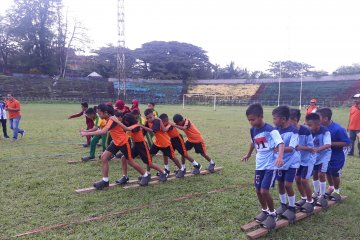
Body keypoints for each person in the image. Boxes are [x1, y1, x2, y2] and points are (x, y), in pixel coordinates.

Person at [80, 104, 149, 189]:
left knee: (130, 161)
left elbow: (103, 132)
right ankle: (105, 181)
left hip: (124, 142)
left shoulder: (112, 119)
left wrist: (87, 133)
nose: (99, 115)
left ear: (106, 112)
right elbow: (103, 130)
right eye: (98, 113)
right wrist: (86, 131)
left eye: (100, 113)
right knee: (104, 157)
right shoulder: (108, 119)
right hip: (116, 142)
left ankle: (145, 175)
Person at [242, 103, 284, 229]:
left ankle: (273, 214)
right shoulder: (252, 130)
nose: (251, 122)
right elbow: (252, 142)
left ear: (260, 116)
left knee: (264, 191)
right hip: (259, 164)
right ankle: (265, 210)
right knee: (257, 190)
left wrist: (280, 157)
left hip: (270, 165)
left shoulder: (271, 130)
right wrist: (248, 154)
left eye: (253, 119)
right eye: (249, 120)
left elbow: (281, 144)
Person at [110, 113, 168, 184]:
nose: (125, 122)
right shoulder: (131, 125)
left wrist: (117, 121)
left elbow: (126, 129)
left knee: (149, 163)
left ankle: (163, 172)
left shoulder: (136, 125)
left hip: (142, 145)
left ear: (129, 121)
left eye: (125, 121)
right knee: (124, 158)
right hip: (135, 145)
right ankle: (125, 177)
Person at [272, 106, 300, 222]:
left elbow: (292, 148)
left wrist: (277, 149)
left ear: (283, 119)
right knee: (280, 183)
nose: (273, 121)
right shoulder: (276, 130)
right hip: (280, 162)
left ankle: (292, 207)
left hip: (292, 162)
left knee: (288, 185)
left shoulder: (294, 131)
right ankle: (283, 205)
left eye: (275, 118)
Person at [317, 108, 350, 201]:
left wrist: (330, 143)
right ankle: (331, 187)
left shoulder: (338, 129)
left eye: (318, 117)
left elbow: (347, 143)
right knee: (327, 171)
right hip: (325, 155)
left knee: (334, 173)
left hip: (336, 155)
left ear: (325, 118)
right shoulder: (320, 127)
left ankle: (336, 190)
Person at [141, 109, 183, 178]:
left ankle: (181, 169)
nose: (149, 119)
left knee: (173, 157)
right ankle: (148, 173)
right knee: (149, 157)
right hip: (157, 143)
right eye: (147, 118)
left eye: (150, 117)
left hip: (165, 144)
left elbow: (153, 130)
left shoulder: (157, 121)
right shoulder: (148, 122)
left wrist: (142, 126)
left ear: (154, 115)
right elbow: (144, 132)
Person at [288, 109, 316, 213]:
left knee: (304, 180)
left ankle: (310, 201)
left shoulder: (306, 131)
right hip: (297, 161)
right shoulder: (289, 130)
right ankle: (304, 198)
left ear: (295, 120)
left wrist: (300, 147)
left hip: (308, 160)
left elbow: (311, 148)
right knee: (297, 179)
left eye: (288, 120)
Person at [305, 113, 331, 207]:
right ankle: (316, 192)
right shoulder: (308, 131)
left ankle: (322, 195)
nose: (309, 127)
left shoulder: (325, 131)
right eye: (307, 125)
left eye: (310, 125)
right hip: (314, 156)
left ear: (318, 124)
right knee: (315, 174)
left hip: (324, 155)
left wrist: (316, 150)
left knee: (321, 174)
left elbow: (328, 144)